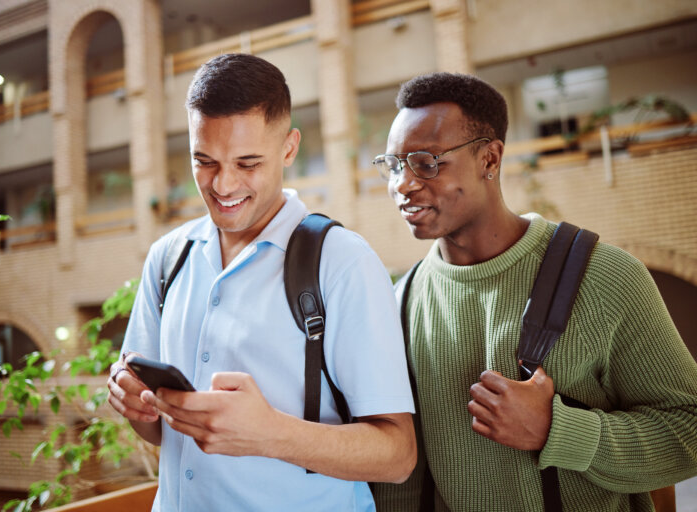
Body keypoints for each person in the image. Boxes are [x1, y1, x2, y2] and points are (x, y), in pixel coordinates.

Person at [370, 72, 697, 511]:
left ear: (490, 159)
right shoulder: (402, 303)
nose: (403, 184)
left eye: (427, 162)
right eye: (393, 165)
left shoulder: (605, 276)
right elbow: (405, 479)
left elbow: (688, 428)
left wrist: (557, 432)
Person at [106, 53, 416, 511]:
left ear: (289, 148)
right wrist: (138, 405)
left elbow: (397, 456)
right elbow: (158, 430)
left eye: (248, 163)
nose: (224, 185)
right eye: (204, 161)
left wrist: (270, 433)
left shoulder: (342, 262)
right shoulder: (168, 258)